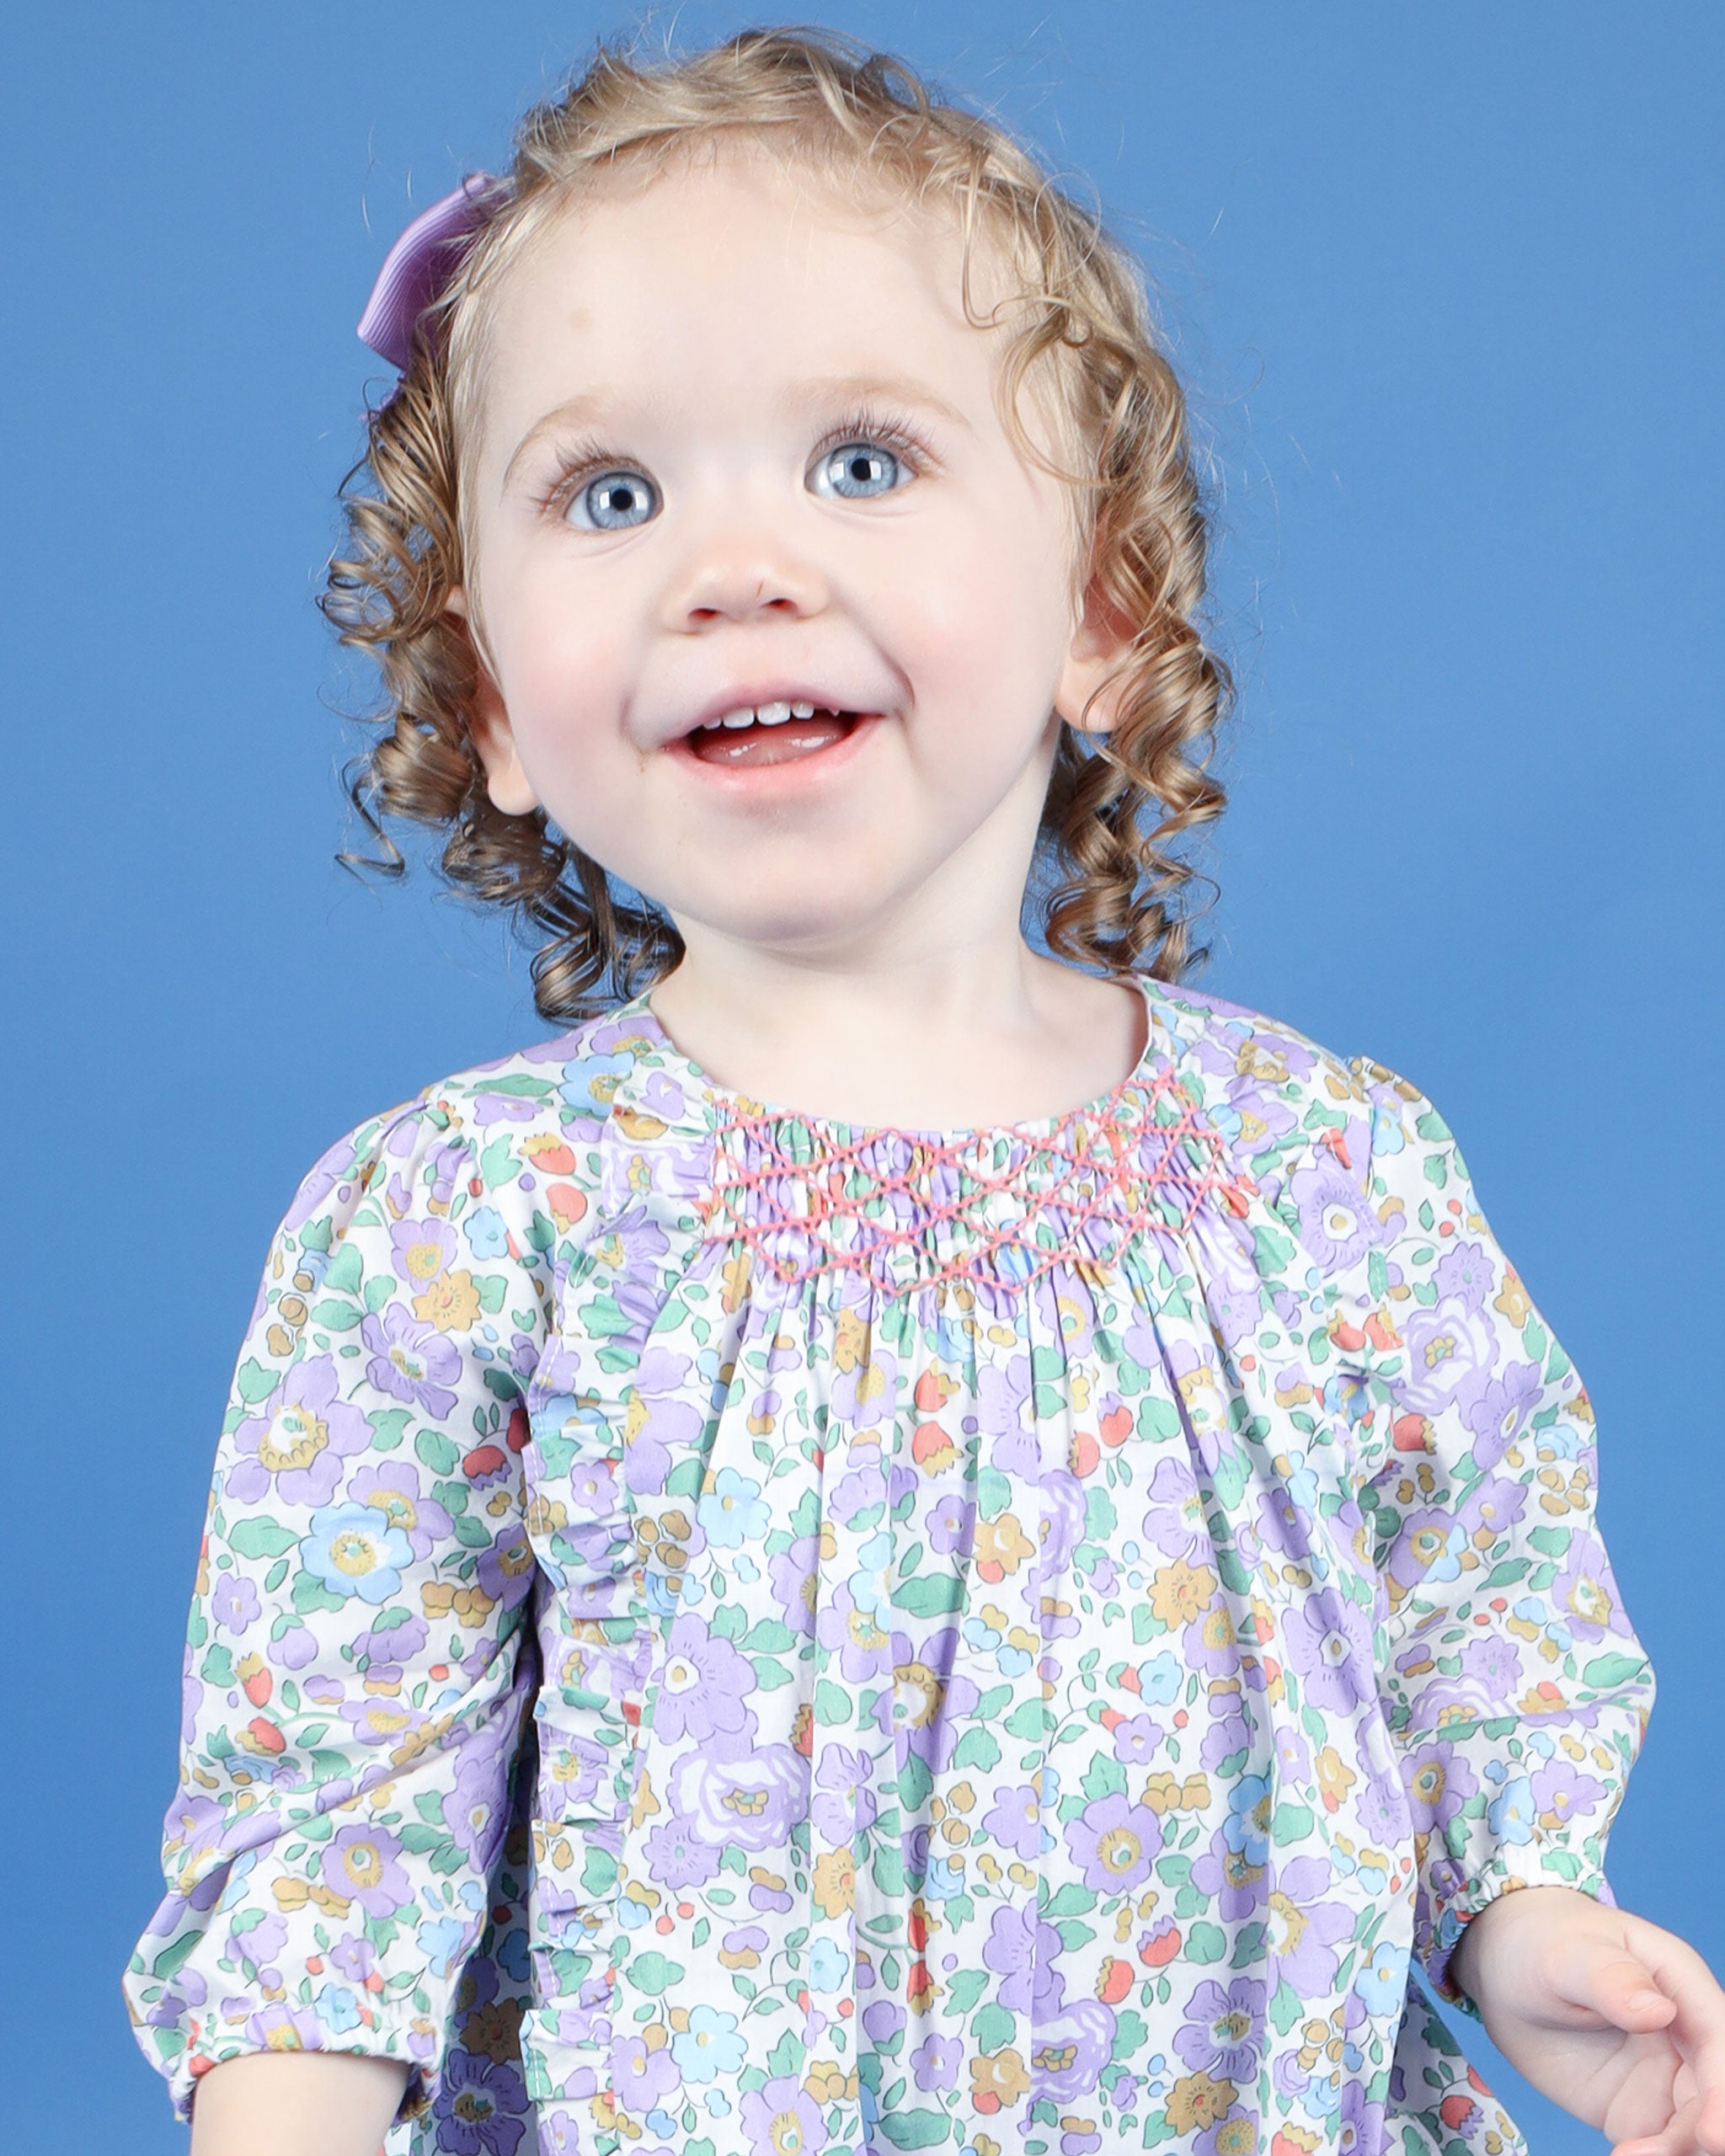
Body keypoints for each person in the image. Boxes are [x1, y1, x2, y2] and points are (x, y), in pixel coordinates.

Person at [122, 27, 1725, 2156]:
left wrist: (1529, 1926)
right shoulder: (459, 1224)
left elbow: (1471, 1604)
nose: (734, 561)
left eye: (861, 460)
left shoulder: (1327, 1170)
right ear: (490, 689)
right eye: (611, 493)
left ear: (1105, 612)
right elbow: (331, 1834)